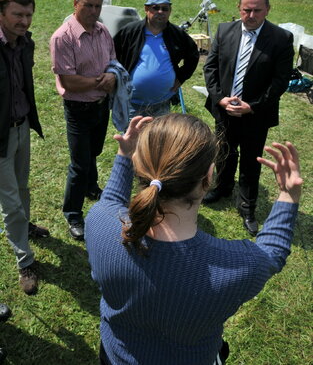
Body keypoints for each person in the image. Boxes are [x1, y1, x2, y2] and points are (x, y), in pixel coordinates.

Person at [85, 113, 302, 365]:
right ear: (208, 178)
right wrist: (288, 195)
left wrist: (124, 156)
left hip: (113, 357)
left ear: (140, 167)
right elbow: (272, 253)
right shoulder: (242, 267)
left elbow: (110, 200)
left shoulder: (98, 221)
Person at [203, 0, 294, 235]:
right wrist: (220, 99)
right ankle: (222, 188)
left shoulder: (281, 39)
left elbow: (280, 81)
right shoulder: (224, 31)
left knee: (251, 160)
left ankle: (247, 206)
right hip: (225, 110)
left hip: (255, 114)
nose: (251, 15)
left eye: (257, 10)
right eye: (246, 10)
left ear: (267, 10)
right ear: (239, 8)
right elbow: (210, 69)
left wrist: (251, 106)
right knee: (224, 151)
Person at [50, 0, 116, 241]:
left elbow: (112, 62)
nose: (94, 11)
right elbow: (69, 81)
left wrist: (111, 75)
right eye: (88, 5)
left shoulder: (103, 31)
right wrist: (103, 80)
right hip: (78, 109)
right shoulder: (62, 37)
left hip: (101, 106)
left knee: (94, 152)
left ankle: (91, 187)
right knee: (79, 163)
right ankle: (73, 213)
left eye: (98, 6)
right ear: (75, 4)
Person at [0, 0, 48, 295]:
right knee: (11, 202)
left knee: (22, 188)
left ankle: (24, 226)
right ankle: (24, 260)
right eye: (18, 14)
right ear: (1, 13)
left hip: (21, 126)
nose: (25, 21)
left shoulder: (24, 42)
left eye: (29, 15)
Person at [113, 0, 199, 118]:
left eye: (165, 9)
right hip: (131, 103)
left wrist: (181, 77)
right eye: (155, 8)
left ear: (170, 11)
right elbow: (111, 55)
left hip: (162, 103)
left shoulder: (177, 34)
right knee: (132, 137)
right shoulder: (130, 32)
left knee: (158, 138)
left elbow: (193, 55)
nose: (160, 12)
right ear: (146, 9)